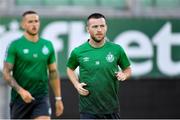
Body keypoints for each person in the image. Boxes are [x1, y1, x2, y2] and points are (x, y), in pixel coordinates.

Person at [66, 13, 132, 119]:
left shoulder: (116, 49)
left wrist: (124, 75)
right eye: (95, 26)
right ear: (88, 29)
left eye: (102, 26)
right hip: (88, 110)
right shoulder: (78, 51)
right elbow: (70, 69)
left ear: (106, 27)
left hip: (111, 109)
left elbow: (128, 69)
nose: (99, 29)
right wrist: (76, 84)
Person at [2, 10, 64, 119]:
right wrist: (21, 91)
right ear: (23, 24)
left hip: (41, 97)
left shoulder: (47, 45)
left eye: (36, 21)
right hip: (19, 99)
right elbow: (6, 73)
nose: (34, 24)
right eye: (30, 22)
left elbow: (53, 72)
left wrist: (58, 98)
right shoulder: (15, 45)